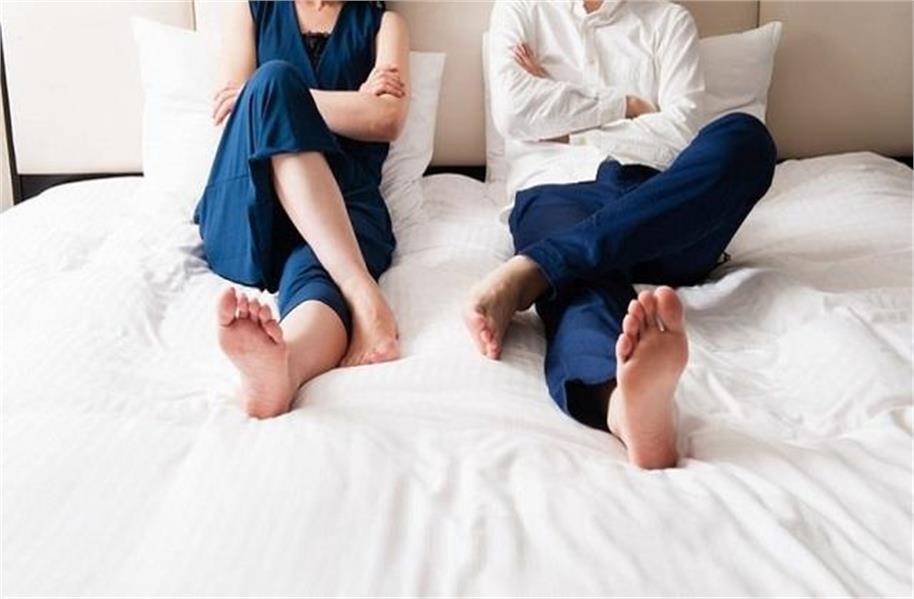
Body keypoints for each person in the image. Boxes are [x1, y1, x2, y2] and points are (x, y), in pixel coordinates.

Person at [465, 0, 777, 468]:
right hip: (558, 190)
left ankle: (539, 266)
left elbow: (681, 131)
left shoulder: (669, 21)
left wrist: (561, 118)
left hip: (663, 205)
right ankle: (623, 410)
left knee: (746, 138)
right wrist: (628, 106)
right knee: (580, 284)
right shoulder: (521, 10)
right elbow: (514, 112)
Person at [194, 0, 409, 418]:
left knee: (318, 275)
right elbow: (237, 107)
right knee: (273, 78)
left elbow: (387, 120)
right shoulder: (251, 10)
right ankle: (363, 291)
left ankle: (285, 364)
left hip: (342, 202)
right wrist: (351, 102)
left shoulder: (385, 24)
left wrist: (285, 102)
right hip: (249, 199)